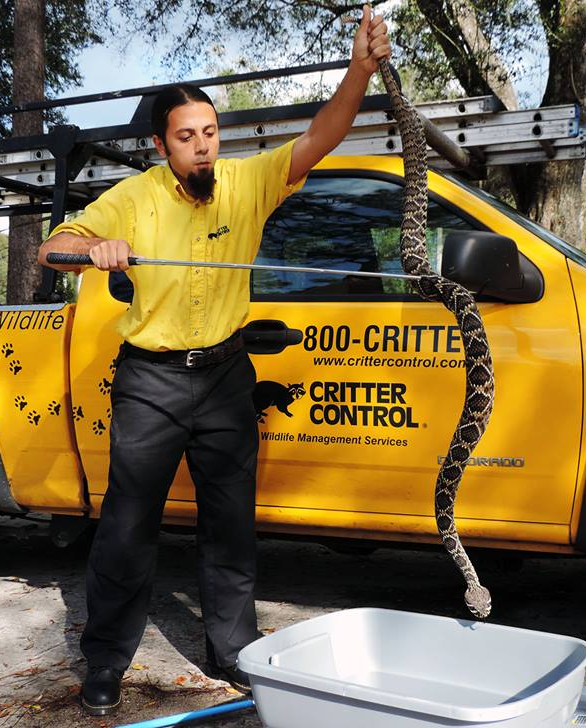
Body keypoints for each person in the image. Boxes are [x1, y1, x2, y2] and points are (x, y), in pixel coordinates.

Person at [38, 5, 391, 717]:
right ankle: (105, 662)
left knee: (230, 526)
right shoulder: (133, 198)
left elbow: (323, 136)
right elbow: (54, 245)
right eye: (186, 138)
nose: (202, 148)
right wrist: (92, 250)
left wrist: (359, 70)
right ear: (162, 145)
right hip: (151, 382)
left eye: (209, 134)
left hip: (227, 377)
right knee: (128, 527)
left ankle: (231, 652)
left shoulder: (248, 183)